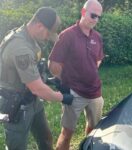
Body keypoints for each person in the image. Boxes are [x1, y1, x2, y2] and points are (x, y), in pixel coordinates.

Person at [0, 7, 73, 150]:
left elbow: (32, 70)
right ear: (39, 25)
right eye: (48, 34)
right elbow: (37, 88)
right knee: (17, 147)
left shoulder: (29, 36)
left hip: (32, 100)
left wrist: (50, 80)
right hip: (16, 106)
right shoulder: (20, 47)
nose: (47, 38)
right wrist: (61, 97)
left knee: (45, 138)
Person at [48, 0, 104, 150]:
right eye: (93, 15)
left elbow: (98, 60)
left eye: (99, 17)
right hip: (74, 93)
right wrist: (64, 84)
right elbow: (53, 64)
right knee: (67, 133)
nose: (96, 20)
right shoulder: (67, 35)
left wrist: (88, 71)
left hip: (95, 93)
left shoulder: (97, 37)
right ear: (83, 12)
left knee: (94, 130)